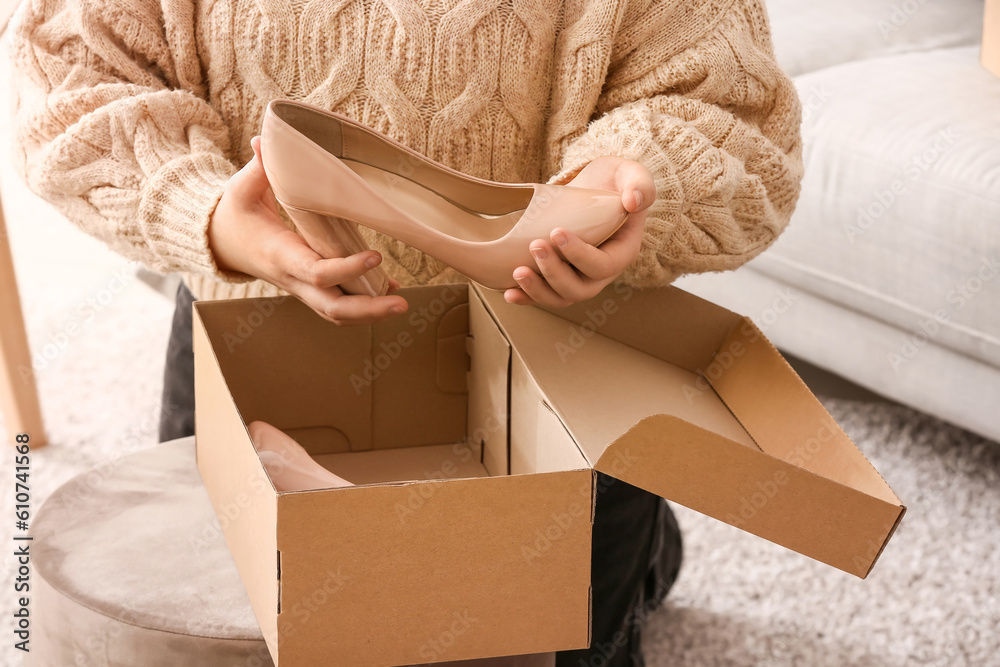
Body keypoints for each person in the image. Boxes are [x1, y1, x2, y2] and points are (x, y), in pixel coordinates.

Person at [8, 0, 803, 663]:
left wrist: (634, 178)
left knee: (544, 636)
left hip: (556, 349)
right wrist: (206, 211)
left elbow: (735, 118)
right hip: (253, 321)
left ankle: (643, 541)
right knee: (246, 625)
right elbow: (71, 73)